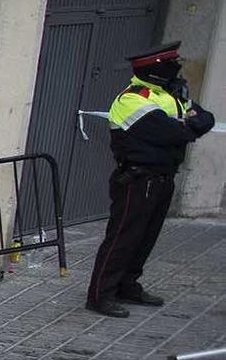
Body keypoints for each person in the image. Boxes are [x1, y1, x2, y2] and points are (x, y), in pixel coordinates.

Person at [86, 42, 215, 317]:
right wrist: (187, 124)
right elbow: (177, 134)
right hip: (137, 179)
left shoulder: (171, 96)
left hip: (163, 177)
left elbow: (207, 119)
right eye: (172, 65)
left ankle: (127, 285)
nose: (177, 69)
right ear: (156, 70)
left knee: (146, 238)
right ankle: (100, 295)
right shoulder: (133, 98)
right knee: (123, 238)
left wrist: (188, 123)